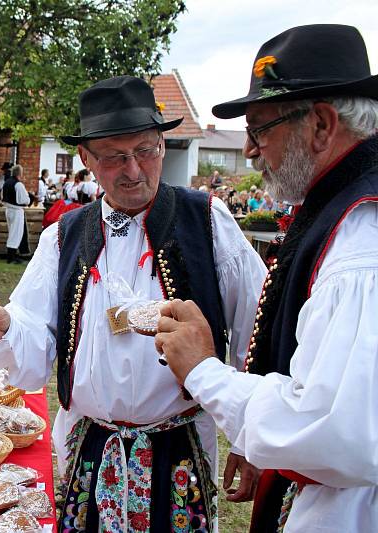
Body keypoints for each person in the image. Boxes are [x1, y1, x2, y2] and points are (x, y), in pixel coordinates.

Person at [0, 76, 266, 532]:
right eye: (114, 156)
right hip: (90, 447)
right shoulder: (64, 236)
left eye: (146, 151)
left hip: (179, 448)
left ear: (163, 146)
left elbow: (255, 327)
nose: (133, 169)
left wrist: (252, 439)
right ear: (87, 159)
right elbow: (34, 334)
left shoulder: (207, 221)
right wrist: (5, 327)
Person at [155, 24, 378, 533]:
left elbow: (330, 430)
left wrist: (204, 370)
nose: (251, 150)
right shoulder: (336, 209)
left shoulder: (361, 246)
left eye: (260, 129)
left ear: (320, 124)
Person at [2, 164, 30, 263]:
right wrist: (29, 199)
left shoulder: (7, 182)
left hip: (8, 210)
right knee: (16, 233)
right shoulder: (18, 184)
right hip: (16, 210)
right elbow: (23, 200)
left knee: (13, 232)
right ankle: (11, 257)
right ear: (20, 173)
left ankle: (12, 256)